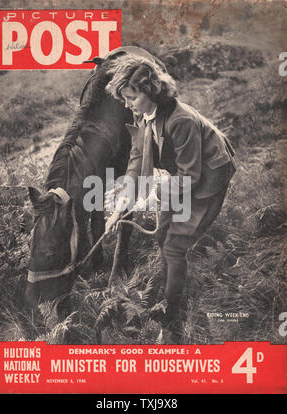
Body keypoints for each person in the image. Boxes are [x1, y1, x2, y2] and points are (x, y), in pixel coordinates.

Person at [105, 54, 236, 341]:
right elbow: (137, 159)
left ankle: (170, 320)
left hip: (208, 179)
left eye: (132, 98)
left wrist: (154, 192)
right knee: (162, 234)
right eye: (125, 100)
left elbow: (192, 178)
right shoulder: (143, 113)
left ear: (150, 91)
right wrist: (119, 208)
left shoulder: (181, 120)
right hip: (175, 178)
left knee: (175, 247)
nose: (128, 106)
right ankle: (165, 290)